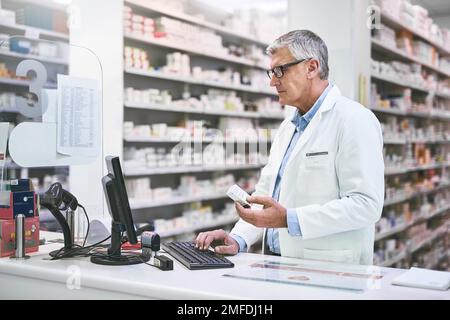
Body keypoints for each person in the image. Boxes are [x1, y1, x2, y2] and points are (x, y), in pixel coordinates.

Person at [195, 30, 384, 265]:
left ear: (312, 68)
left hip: (328, 268)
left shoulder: (354, 119)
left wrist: (289, 219)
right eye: (271, 72)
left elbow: (366, 205)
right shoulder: (288, 127)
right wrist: (237, 239)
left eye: (279, 70)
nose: (273, 81)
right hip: (276, 262)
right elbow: (265, 196)